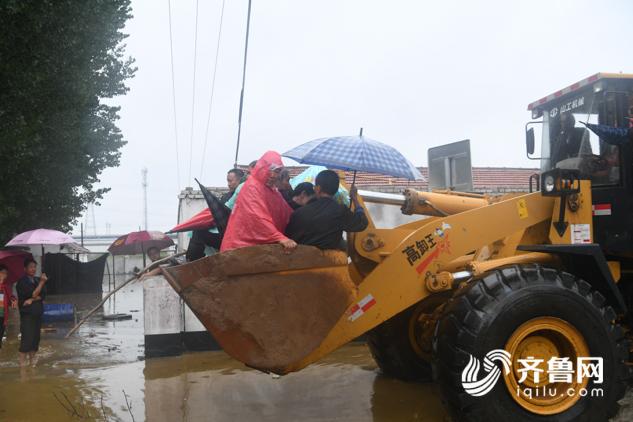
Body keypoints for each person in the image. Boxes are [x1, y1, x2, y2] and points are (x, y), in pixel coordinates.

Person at [220, 151, 296, 252]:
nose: (273, 175)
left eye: (277, 171)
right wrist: (279, 237)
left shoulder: (272, 191)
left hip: (258, 251)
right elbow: (257, 217)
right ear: (263, 168)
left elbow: (286, 213)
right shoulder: (252, 187)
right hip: (239, 249)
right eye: (271, 170)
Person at [285, 170, 369, 250]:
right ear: (336, 189)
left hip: (302, 262)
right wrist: (355, 198)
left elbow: (288, 238)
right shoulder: (340, 210)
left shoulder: (298, 213)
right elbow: (362, 223)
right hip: (333, 262)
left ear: (318, 188)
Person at [186, 168, 246, 261]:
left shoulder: (241, 193)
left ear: (239, 180)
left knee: (199, 233)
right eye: (227, 181)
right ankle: (193, 260)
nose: (228, 184)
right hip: (223, 231)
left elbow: (226, 210)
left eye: (230, 181)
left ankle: (190, 261)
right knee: (198, 229)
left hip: (232, 236)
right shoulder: (227, 196)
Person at [16, 258, 47, 366]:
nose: (33, 269)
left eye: (34, 267)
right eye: (31, 267)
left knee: (35, 340)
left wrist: (32, 299)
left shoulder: (37, 280)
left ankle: (32, 365)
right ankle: (22, 367)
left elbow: (42, 296)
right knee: (26, 340)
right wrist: (42, 283)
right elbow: (34, 294)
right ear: (25, 269)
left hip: (37, 314)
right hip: (27, 315)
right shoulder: (22, 282)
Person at [0, 264, 17, 349]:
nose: (4, 275)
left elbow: (11, 297)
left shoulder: (6, 287)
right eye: (2, 272)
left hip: (3, 316)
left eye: (6, 273)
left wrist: (14, 301)